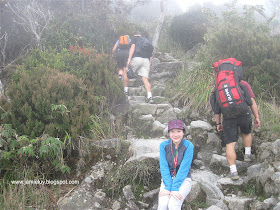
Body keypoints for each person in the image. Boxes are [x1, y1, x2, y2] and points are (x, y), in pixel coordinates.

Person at [212, 80, 261, 180]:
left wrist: (218, 123)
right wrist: (257, 117)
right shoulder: (242, 84)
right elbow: (251, 102)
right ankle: (247, 155)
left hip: (228, 117)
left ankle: (233, 172)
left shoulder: (218, 87)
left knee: (230, 143)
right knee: (246, 133)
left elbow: (217, 109)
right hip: (244, 114)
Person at [158, 119, 194, 210]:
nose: (176, 134)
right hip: (167, 179)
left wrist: (174, 188)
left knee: (173, 205)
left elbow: (184, 169)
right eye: (172, 131)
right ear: (169, 133)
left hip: (184, 179)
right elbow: (163, 166)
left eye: (179, 131)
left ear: (183, 132)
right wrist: (168, 187)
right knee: (163, 204)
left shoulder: (189, 146)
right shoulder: (163, 146)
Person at [126, 32, 153, 103]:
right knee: (145, 79)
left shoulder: (135, 39)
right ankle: (150, 97)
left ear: (135, 34)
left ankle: (125, 91)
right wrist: (149, 65)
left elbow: (132, 48)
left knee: (126, 72)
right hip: (146, 61)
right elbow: (151, 55)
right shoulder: (147, 41)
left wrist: (129, 59)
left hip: (137, 58)